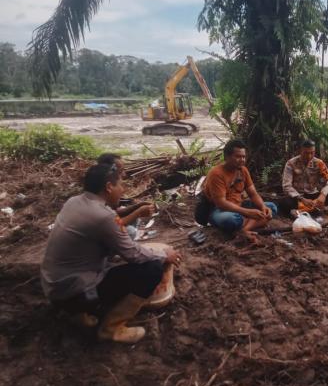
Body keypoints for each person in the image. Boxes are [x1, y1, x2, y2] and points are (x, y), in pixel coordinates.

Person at [41, 163, 181, 343]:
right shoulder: (103, 217)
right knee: (152, 269)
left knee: (123, 261)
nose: (122, 190)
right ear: (108, 187)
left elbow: (112, 216)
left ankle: (78, 312)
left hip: (55, 288)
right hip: (75, 292)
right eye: (120, 185)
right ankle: (112, 328)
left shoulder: (74, 201)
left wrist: (135, 208)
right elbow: (133, 254)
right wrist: (164, 255)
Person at [203, 139, 277, 243]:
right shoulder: (216, 173)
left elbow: (253, 193)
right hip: (219, 210)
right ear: (227, 157)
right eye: (238, 156)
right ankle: (251, 222)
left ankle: (244, 229)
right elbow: (221, 203)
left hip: (239, 206)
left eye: (244, 156)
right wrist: (247, 212)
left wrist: (262, 207)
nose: (242, 160)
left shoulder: (243, 170)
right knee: (232, 220)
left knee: (271, 207)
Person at [97, 153, 154, 240]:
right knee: (130, 231)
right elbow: (115, 224)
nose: (124, 174)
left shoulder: (104, 184)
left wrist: (137, 207)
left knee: (134, 220)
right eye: (120, 171)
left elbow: (114, 213)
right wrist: (138, 211)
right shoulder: (102, 192)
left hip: (105, 226)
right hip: (99, 234)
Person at [280, 139, 328, 217]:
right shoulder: (291, 163)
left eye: (312, 153)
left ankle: (303, 210)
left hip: (314, 195)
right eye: (306, 153)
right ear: (300, 151)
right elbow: (286, 186)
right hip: (298, 196)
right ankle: (317, 209)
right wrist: (302, 199)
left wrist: (323, 195)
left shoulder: (319, 163)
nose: (309, 156)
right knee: (285, 203)